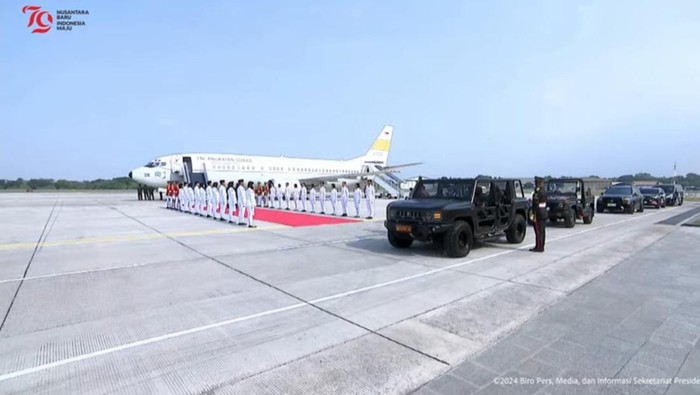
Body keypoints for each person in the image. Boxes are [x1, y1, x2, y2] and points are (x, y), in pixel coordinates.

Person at [530, 176, 547, 252]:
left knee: (538, 231)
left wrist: (534, 215)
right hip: (543, 212)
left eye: (536, 182)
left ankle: (539, 247)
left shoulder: (538, 192)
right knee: (542, 231)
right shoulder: (544, 191)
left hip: (538, 213)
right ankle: (541, 246)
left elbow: (535, 205)